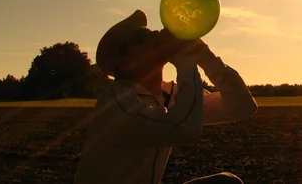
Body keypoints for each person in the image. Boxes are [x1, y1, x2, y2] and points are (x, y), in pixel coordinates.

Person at [74, 9, 258, 184]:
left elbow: (242, 106)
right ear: (125, 63)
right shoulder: (116, 102)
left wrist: (204, 55)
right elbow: (184, 130)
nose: (155, 34)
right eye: (142, 37)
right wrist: (185, 61)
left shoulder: (170, 93)